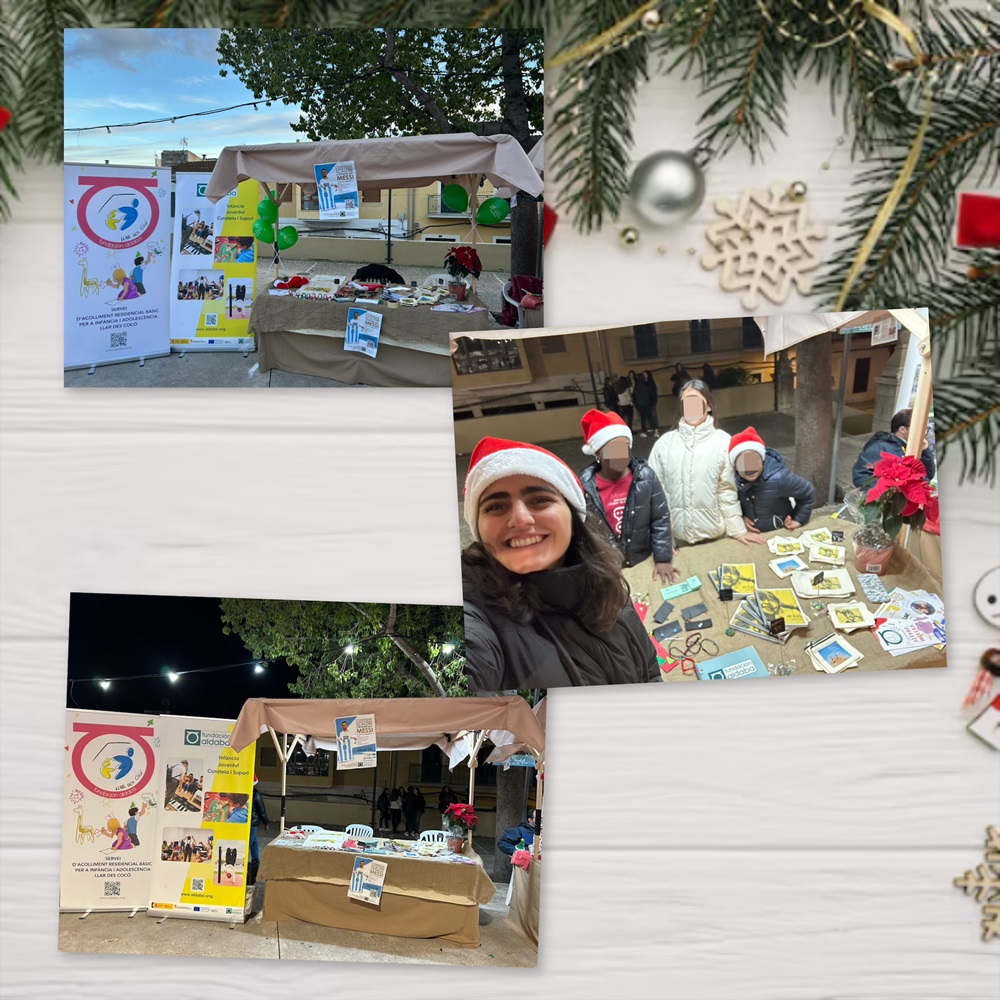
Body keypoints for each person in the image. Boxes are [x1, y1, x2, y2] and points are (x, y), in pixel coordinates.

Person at [461, 437, 660, 690]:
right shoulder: (473, 613)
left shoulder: (603, 580)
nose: (520, 519)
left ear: (573, 515)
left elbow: (650, 670)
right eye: (497, 506)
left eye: (539, 500)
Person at [647, 380, 767, 547]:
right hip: (677, 540)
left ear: (709, 406)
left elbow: (726, 491)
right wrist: (663, 540)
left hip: (716, 537)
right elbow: (655, 494)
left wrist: (738, 530)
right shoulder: (664, 444)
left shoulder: (723, 442)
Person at [578, 409, 680, 583]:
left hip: (643, 558)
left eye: (623, 448)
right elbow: (584, 530)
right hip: (608, 566)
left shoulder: (646, 477)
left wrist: (662, 558)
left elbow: (660, 518)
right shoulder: (585, 486)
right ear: (597, 453)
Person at [728, 427, 816, 533]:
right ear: (735, 467)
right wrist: (741, 517)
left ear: (762, 460)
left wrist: (798, 519)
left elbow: (807, 492)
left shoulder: (779, 478)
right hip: (751, 532)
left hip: (779, 529)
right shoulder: (732, 479)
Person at [851, 408, 936, 488]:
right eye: (919, 428)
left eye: (926, 428)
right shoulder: (879, 447)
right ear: (902, 429)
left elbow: (928, 475)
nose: (924, 432)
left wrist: (925, 451)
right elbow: (860, 476)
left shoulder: (914, 446)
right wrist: (891, 490)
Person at [248, 774, 270, 885]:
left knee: (252, 844)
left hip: (248, 823)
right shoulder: (256, 794)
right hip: (253, 824)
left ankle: (254, 868)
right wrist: (266, 822)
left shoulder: (244, 793)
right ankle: (254, 868)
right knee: (252, 845)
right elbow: (261, 810)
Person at [635, 371, 660, 437]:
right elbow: (651, 394)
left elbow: (635, 396)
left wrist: (637, 404)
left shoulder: (638, 387)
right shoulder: (648, 385)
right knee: (651, 417)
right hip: (648, 403)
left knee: (643, 418)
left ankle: (644, 431)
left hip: (641, 404)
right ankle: (656, 430)